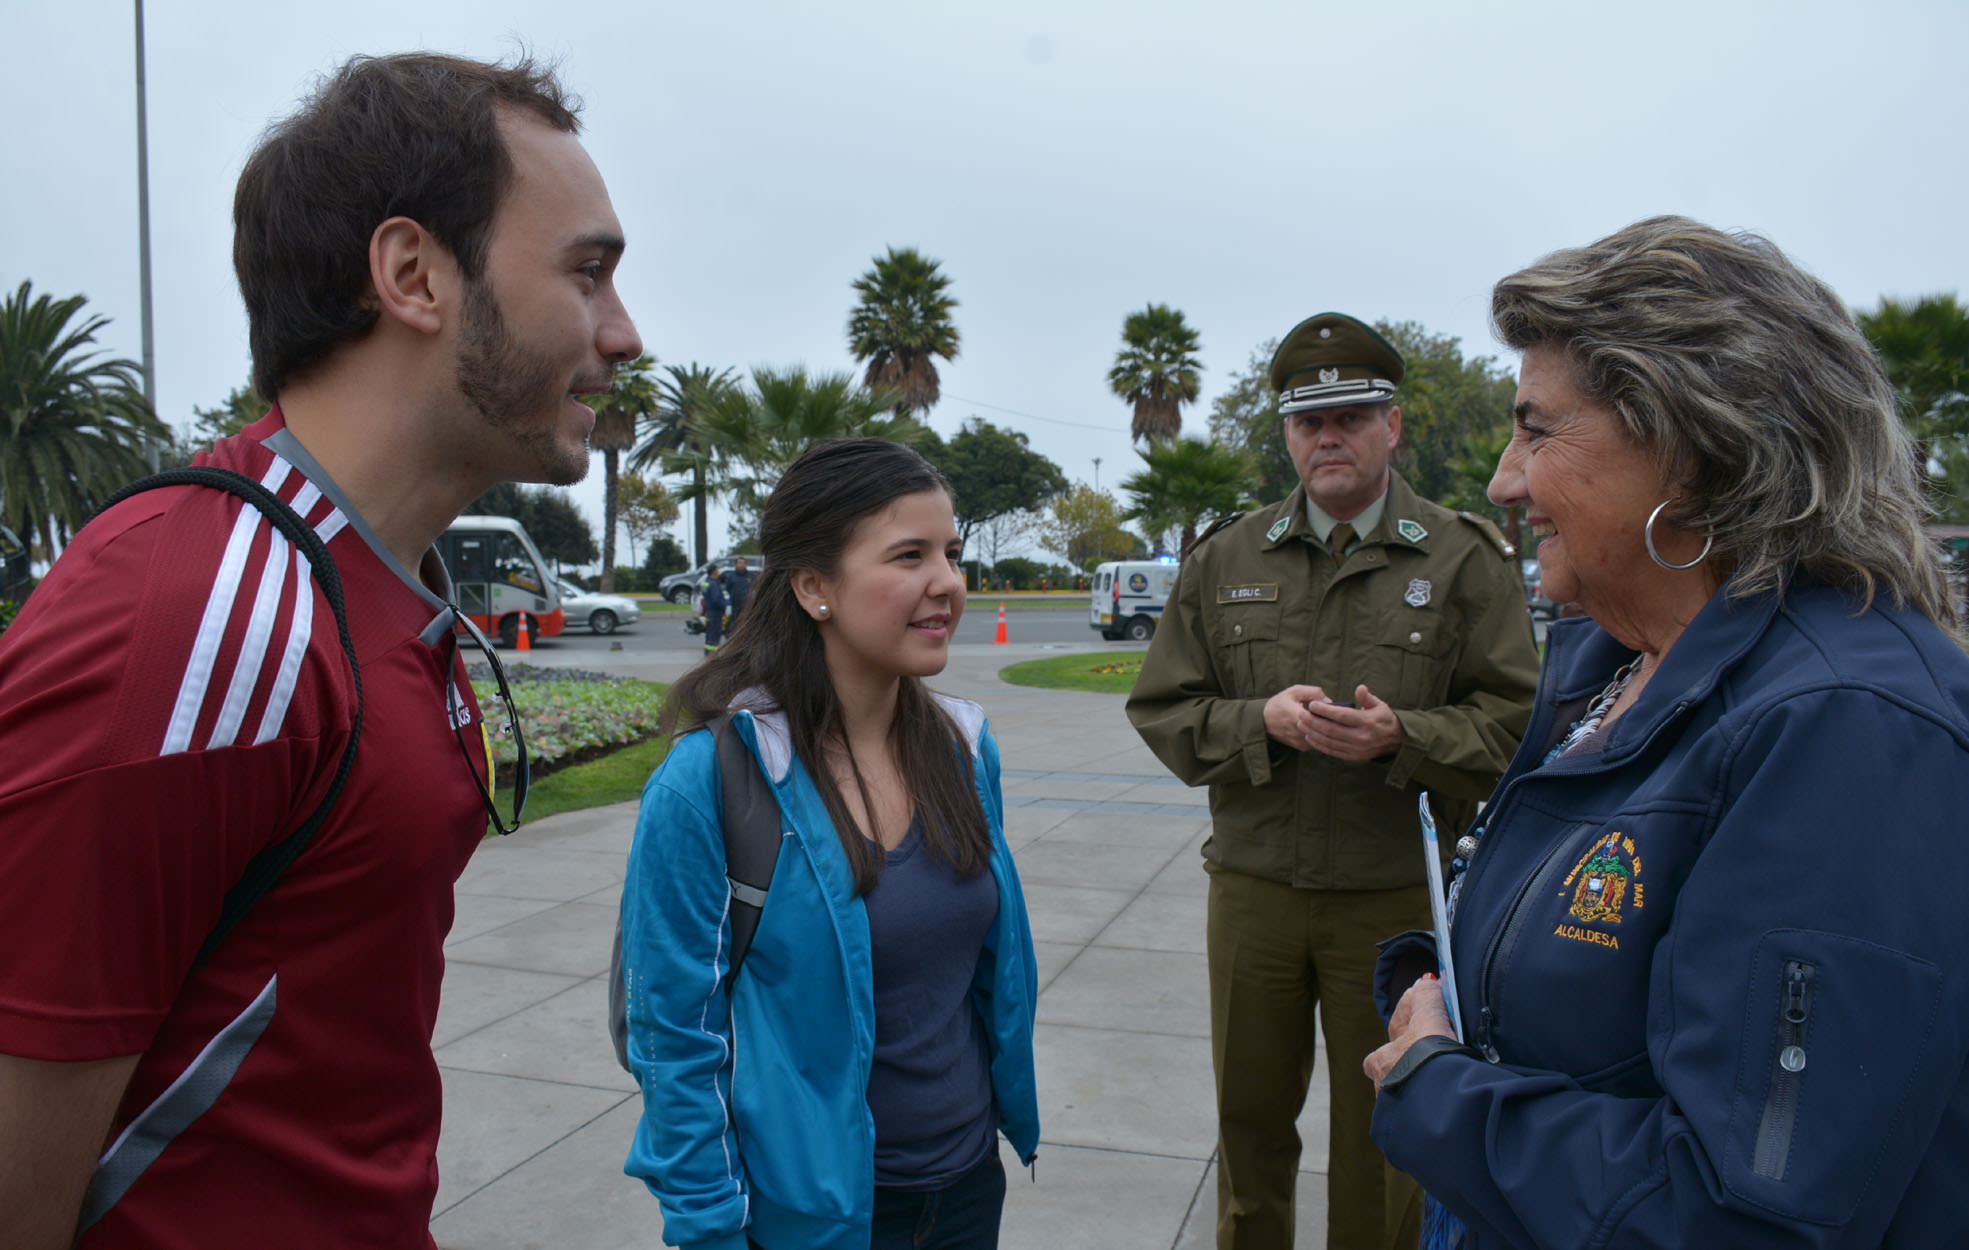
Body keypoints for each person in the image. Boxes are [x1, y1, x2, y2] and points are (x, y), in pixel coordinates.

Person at [0, 53, 641, 1250]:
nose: (625, 331)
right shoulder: (203, 615)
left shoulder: (377, 591)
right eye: (588, 271)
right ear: (412, 274)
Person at [1364, 216, 1969, 1249]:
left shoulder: (1846, 729)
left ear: (1687, 450)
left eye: (1538, 430)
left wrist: (1440, 1093)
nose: (1503, 480)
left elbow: (1745, 1214)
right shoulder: (1612, 664)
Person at [1128, 311, 1541, 1250]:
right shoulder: (1225, 560)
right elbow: (1163, 711)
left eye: (1351, 416)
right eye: (1309, 422)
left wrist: (1406, 738)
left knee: (1385, 1135)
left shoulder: (1460, 557)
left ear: (1390, 427)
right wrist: (1258, 722)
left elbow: (1517, 728)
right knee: (1249, 1128)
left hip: (1391, 898)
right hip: (1255, 894)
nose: (1329, 437)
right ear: (1285, 436)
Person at [619, 438, 1040, 1250]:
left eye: (951, 554)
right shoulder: (711, 780)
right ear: (813, 586)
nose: (947, 583)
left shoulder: (965, 746)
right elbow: (674, 1041)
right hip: (812, 1213)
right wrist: (709, 1230)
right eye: (909, 555)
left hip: (963, 1185)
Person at [698, 560, 729, 652]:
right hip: (716, 614)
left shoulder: (706, 582)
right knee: (715, 636)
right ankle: (712, 656)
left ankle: (708, 653)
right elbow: (716, 599)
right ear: (714, 571)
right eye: (717, 570)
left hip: (709, 612)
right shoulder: (714, 584)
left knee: (709, 636)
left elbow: (706, 596)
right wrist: (725, 604)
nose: (718, 572)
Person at [723, 553, 757, 626]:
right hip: (735, 606)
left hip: (747, 606)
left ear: (745, 565)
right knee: (734, 625)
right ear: (736, 565)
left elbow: (755, 588)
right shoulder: (731, 576)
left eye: (743, 563)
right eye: (739, 563)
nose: (741, 565)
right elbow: (728, 588)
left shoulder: (751, 576)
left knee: (746, 624)